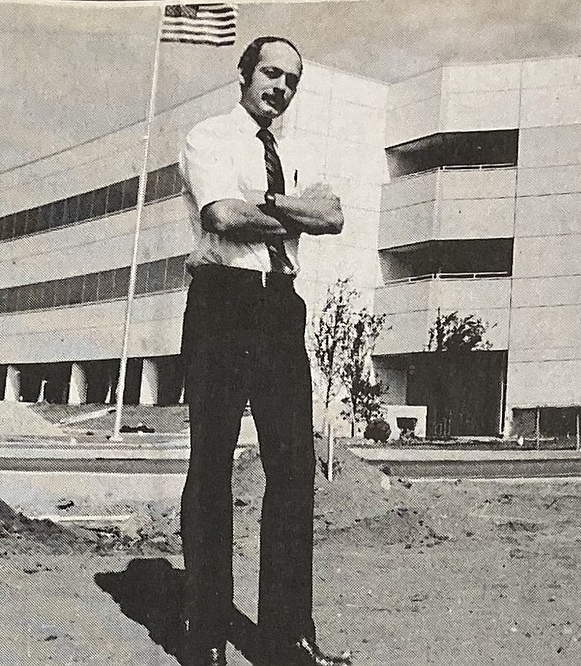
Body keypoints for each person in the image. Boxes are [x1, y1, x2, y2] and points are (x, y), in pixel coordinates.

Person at [178, 35, 350, 666]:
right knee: (213, 467)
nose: (280, 86)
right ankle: (205, 636)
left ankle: (287, 640)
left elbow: (332, 215)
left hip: (280, 307)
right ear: (244, 74)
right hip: (223, 304)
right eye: (271, 73)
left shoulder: (296, 149)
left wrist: (271, 206)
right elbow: (222, 215)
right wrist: (290, 212)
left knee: (293, 469)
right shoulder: (209, 137)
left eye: (292, 80)